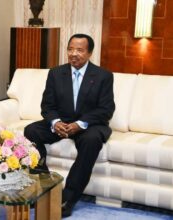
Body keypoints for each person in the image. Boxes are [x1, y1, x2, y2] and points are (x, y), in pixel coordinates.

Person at [24, 34, 115, 217]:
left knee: (91, 141)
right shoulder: (56, 73)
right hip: (62, 122)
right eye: (70, 49)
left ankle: (68, 198)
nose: (74, 54)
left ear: (89, 53)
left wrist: (80, 124)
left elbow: (106, 109)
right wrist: (55, 122)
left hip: (89, 124)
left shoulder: (103, 76)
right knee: (31, 131)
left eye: (80, 50)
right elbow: (47, 106)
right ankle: (44, 186)